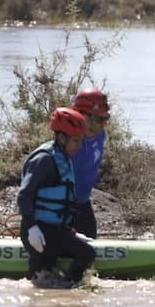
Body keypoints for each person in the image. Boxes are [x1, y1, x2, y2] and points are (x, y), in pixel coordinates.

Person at [17, 107, 96, 288]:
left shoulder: (63, 156)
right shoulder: (44, 160)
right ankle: (68, 289)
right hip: (39, 232)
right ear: (61, 138)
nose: (79, 145)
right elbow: (24, 196)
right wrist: (32, 229)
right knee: (86, 253)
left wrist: (71, 234)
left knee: (43, 276)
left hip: (54, 231)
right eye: (76, 140)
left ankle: (57, 291)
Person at [70, 87, 111, 238]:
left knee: (92, 246)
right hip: (64, 206)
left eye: (106, 119)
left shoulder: (100, 135)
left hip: (84, 202)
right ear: (83, 116)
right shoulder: (70, 144)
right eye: (99, 119)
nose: (103, 124)